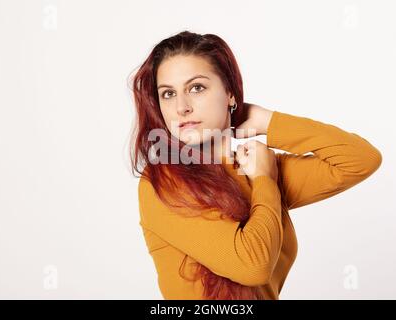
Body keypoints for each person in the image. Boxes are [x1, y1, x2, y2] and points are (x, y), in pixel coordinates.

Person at [129, 30, 382, 300]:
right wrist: (264, 179)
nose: (181, 107)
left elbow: (360, 160)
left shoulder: (253, 168)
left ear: (230, 93)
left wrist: (267, 121)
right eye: (168, 94)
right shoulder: (162, 184)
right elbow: (253, 266)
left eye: (196, 88)